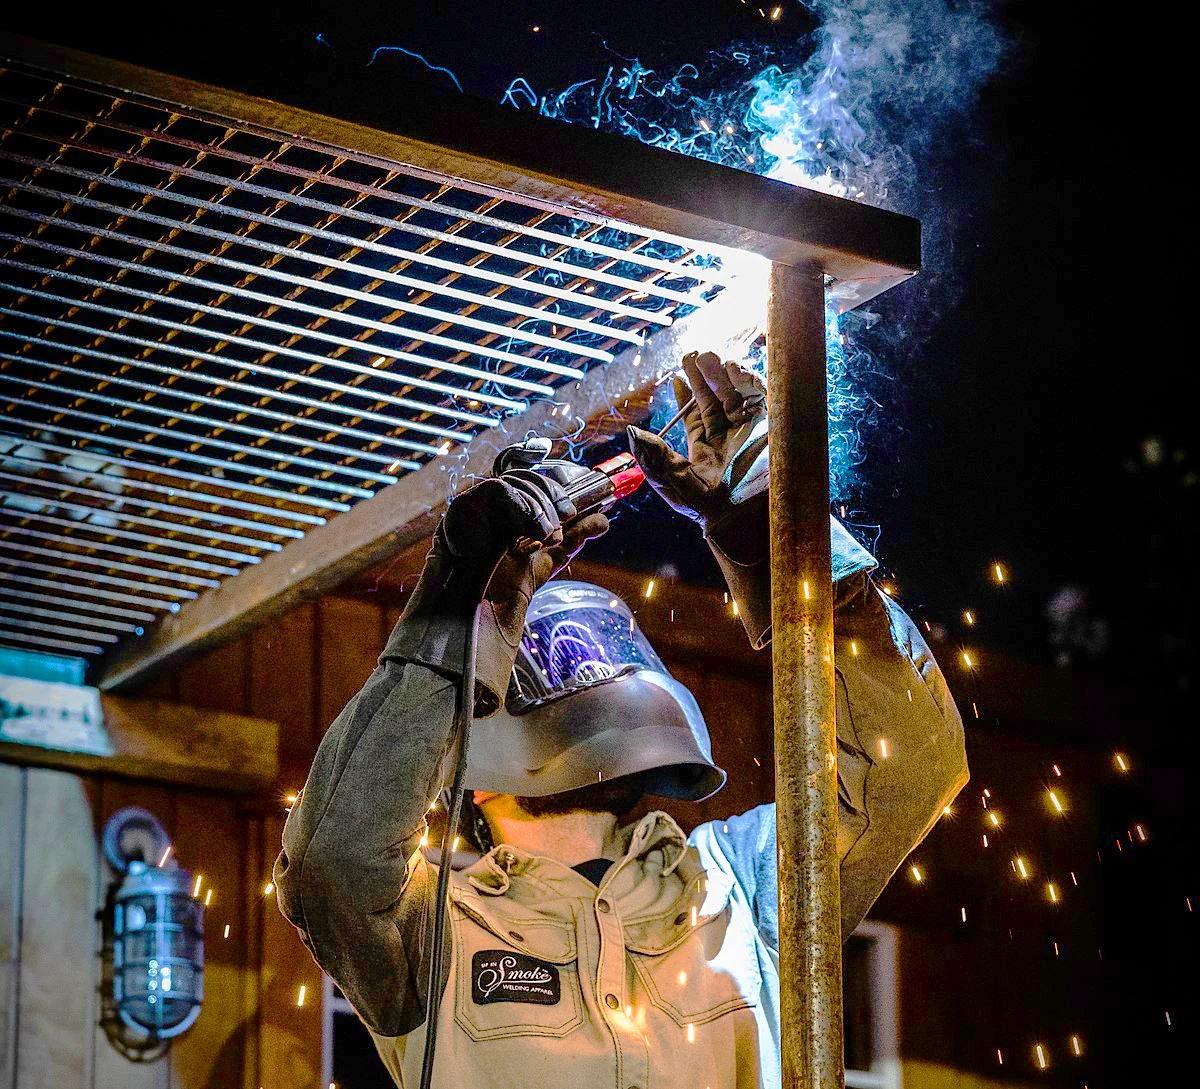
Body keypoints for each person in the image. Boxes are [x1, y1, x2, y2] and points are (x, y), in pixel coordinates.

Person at [275, 351, 968, 1089]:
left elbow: (909, 762)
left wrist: (776, 534)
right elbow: (331, 864)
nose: (581, 677)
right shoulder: (433, 928)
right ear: (469, 767)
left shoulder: (746, 885)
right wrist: (453, 608)